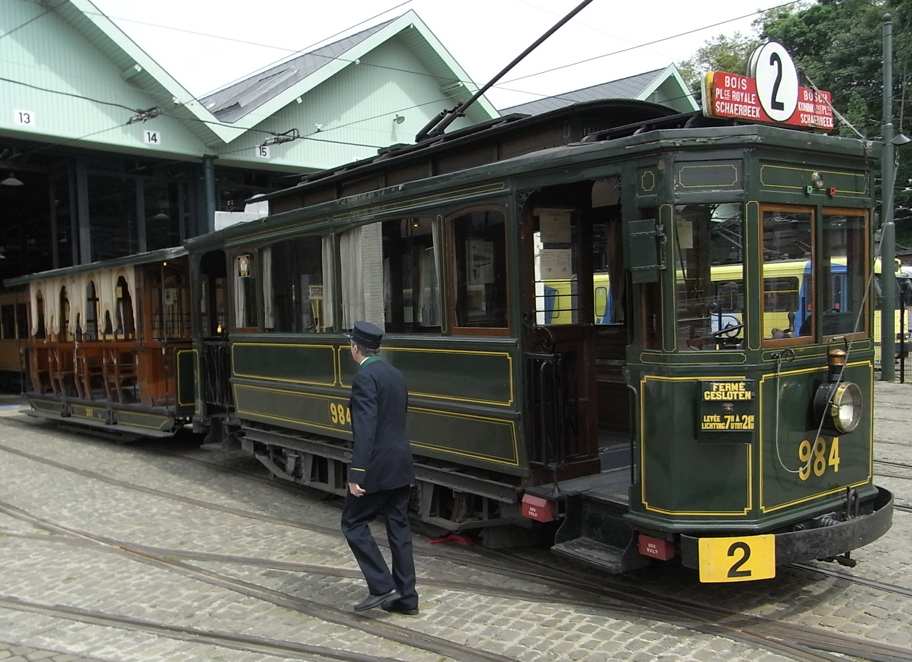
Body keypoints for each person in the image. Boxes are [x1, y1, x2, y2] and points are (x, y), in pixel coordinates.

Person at [341, 320, 419, 615]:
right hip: (400, 464)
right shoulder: (395, 374)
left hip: (376, 468)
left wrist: (357, 472)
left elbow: (366, 429)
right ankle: (407, 597)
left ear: (355, 348)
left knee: (352, 523)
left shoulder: (365, 378)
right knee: (399, 528)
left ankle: (381, 584)